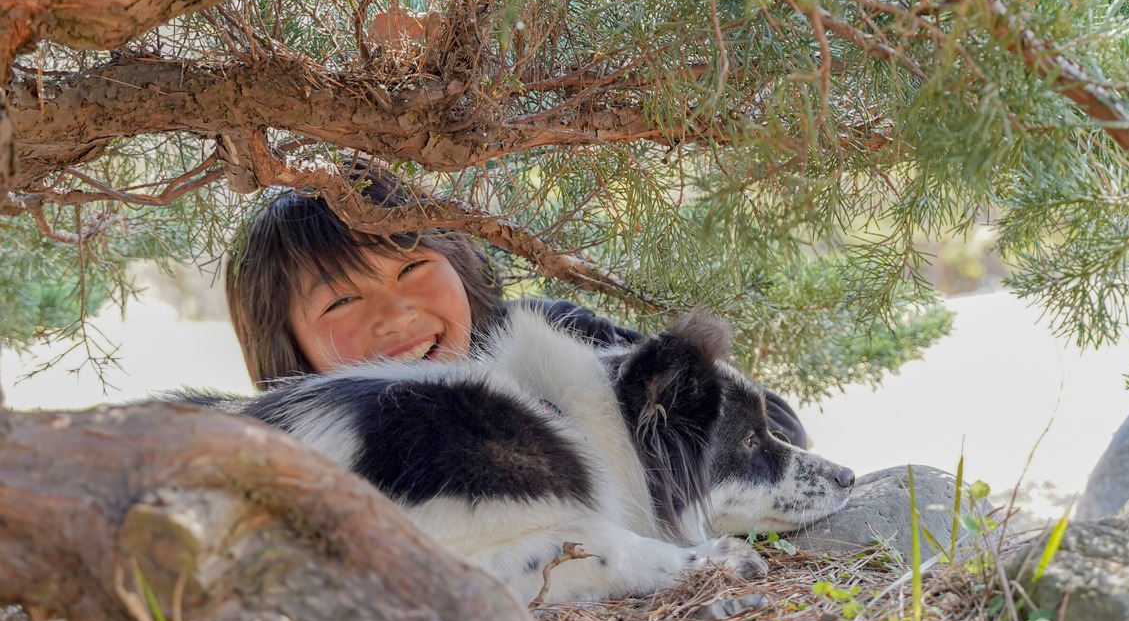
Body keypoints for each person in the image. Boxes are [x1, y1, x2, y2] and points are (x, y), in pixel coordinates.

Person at [225, 164, 807, 447]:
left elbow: (771, 430)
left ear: (459, 262)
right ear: (287, 342)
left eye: (411, 267)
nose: (395, 313)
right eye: (343, 300)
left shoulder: (549, 340)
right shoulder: (300, 446)